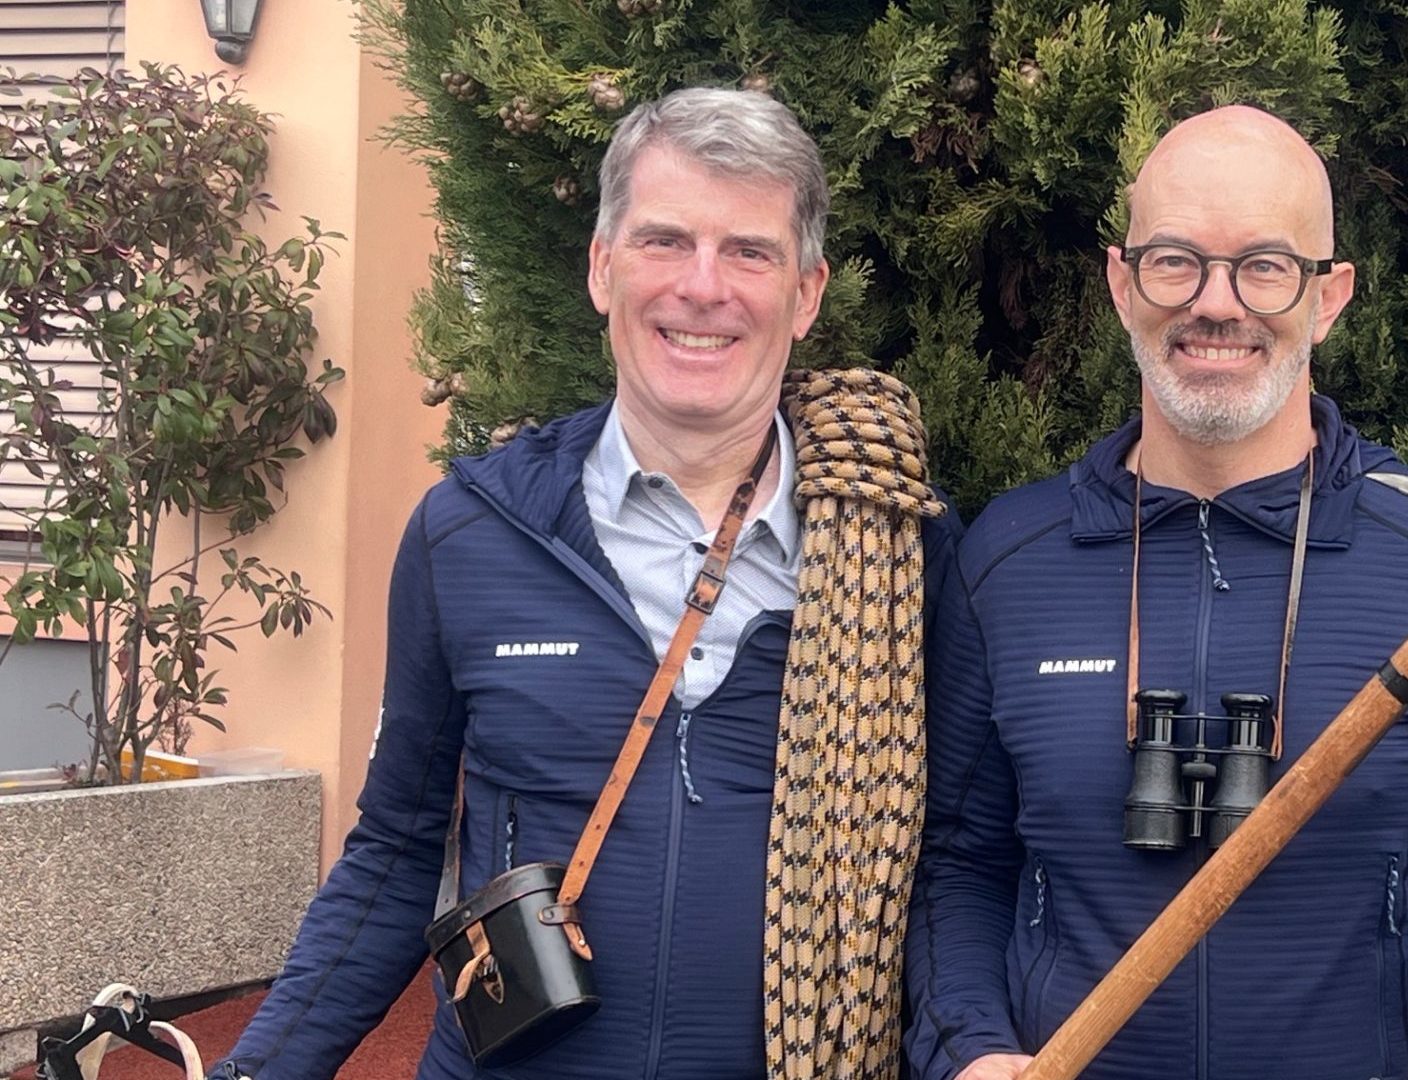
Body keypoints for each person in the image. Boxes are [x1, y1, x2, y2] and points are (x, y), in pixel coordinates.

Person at [212, 87, 954, 1080]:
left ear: (807, 294)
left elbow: (953, 872)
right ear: (602, 268)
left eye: (749, 251)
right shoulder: (470, 532)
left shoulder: (903, 556)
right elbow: (394, 856)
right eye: (663, 242)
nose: (703, 286)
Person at [903, 105, 1408, 1080]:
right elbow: (956, 866)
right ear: (1121, 281)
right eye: (1175, 260)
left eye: (1266, 266)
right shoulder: (1010, 559)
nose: (1216, 303)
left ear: (1330, 296)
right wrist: (970, 1050)